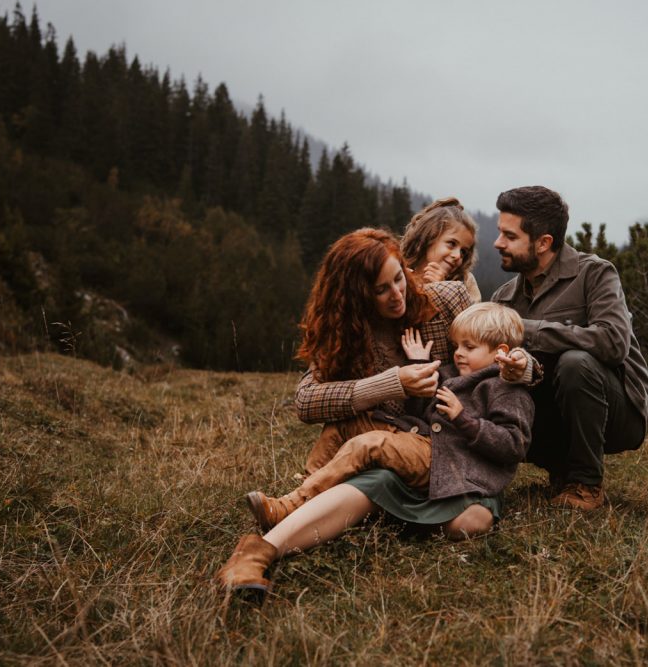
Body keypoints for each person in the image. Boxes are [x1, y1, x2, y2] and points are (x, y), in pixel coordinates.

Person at [213, 229, 530, 594]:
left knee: (454, 509)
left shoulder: (446, 300)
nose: (397, 294)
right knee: (348, 435)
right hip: (405, 438)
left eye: (399, 278)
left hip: (451, 455)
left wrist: (519, 367)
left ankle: (300, 506)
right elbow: (307, 400)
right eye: (380, 290)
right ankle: (291, 515)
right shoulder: (348, 332)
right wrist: (394, 382)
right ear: (356, 296)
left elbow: (500, 344)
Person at [243, 302, 534, 528]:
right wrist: (419, 364)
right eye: (457, 345)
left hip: (447, 459)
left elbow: (513, 446)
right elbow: (418, 412)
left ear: (500, 352)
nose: (458, 353)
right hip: (420, 441)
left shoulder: (505, 388)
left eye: (469, 347)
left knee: (370, 444)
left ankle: (290, 508)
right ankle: (306, 491)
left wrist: (464, 420)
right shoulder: (451, 373)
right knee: (345, 424)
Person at [490, 185, 648, 511]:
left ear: (543, 242)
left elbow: (612, 343)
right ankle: (554, 469)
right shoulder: (504, 298)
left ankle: (586, 483)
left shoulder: (595, 274)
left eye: (509, 236)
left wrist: (526, 329)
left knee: (575, 363)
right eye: (499, 233)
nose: (498, 243)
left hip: (620, 413)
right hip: (551, 409)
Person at [401, 197, 482, 303]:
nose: (458, 256)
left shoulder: (466, 282)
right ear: (429, 236)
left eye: (463, 252)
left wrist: (443, 289)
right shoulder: (400, 274)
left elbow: (473, 313)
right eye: (452, 244)